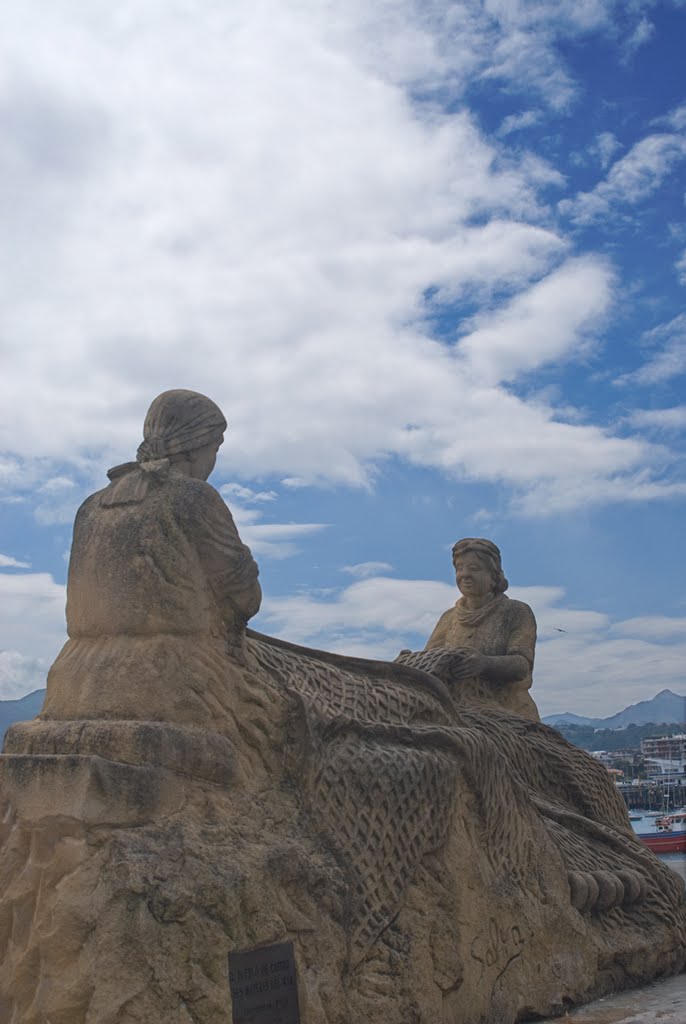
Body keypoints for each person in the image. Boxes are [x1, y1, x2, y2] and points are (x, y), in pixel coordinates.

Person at [40, 389, 261, 727]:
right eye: (214, 449)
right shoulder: (194, 498)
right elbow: (244, 596)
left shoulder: (89, 507)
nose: (213, 462)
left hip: (73, 672)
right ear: (194, 445)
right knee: (289, 713)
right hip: (174, 671)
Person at [411, 537, 539, 721]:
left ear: (493, 575)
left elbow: (522, 666)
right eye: (459, 569)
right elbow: (429, 662)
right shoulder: (449, 618)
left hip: (507, 710)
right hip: (455, 709)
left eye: (474, 569)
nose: (464, 575)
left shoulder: (516, 611)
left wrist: (485, 664)